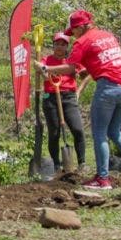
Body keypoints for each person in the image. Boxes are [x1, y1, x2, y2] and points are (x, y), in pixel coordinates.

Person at [41, 10, 121, 189]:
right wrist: (88, 69)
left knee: (99, 133)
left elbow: (71, 68)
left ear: (80, 27)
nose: (73, 35)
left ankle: (102, 178)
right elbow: (102, 60)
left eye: (73, 31)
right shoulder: (108, 35)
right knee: (115, 131)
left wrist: (48, 69)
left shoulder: (82, 41)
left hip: (108, 88)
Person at [40, 32, 87, 172]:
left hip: (69, 97)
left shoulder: (72, 62)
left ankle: (82, 163)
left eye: (63, 44)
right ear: (53, 45)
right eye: (57, 44)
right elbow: (41, 71)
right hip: (51, 97)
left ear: (67, 47)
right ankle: (56, 164)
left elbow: (86, 75)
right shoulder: (45, 59)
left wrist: (78, 91)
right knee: (54, 133)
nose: (59, 47)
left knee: (78, 129)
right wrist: (46, 75)